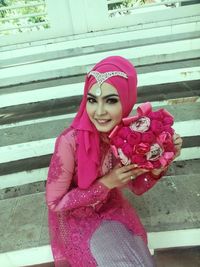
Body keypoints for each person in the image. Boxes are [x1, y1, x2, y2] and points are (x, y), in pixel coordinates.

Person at [46, 56, 182, 267]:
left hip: (111, 208)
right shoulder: (69, 142)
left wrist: (159, 165)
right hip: (75, 218)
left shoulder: (130, 136)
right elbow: (55, 203)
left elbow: (136, 186)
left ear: (126, 100)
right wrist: (106, 183)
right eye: (92, 100)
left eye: (111, 100)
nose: (99, 112)